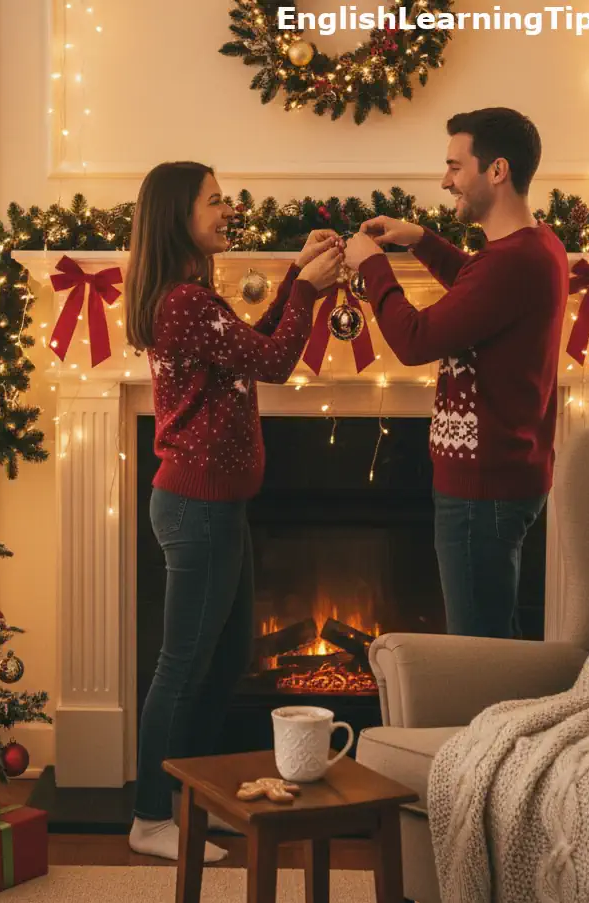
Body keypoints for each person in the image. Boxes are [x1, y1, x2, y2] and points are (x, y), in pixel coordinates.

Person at [123, 161, 343, 861]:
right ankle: (151, 815)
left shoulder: (196, 298)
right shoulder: (185, 303)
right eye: (215, 201)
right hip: (198, 508)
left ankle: (192, 798)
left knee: (224, 660)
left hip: (217, 507)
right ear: (178, 216)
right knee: (183, 666)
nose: (228, 209)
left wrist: (294, 279)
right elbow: (277, 362)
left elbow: (254, 348)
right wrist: (306, 289)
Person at [343, 107, 569, 639]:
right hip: (500, 482)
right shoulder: (534, 247)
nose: (445, 182)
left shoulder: (513, 261)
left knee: (477, 658)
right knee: (494, 645)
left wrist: (372, 265)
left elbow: (415, 339)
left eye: (454, 166)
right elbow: (478, 289)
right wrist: (419, 239)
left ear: (497, 170)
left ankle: (486, 728)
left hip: (481, 492)